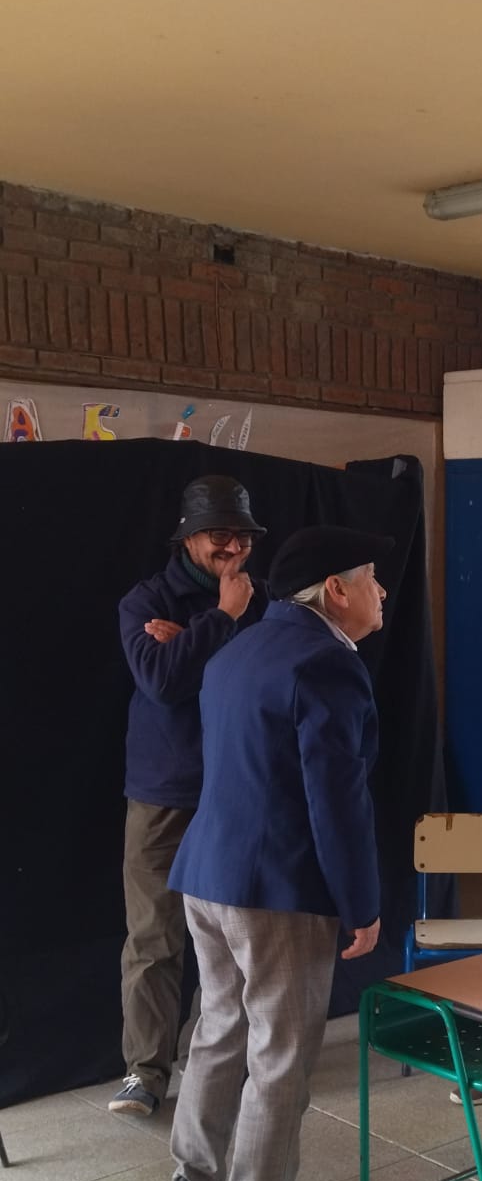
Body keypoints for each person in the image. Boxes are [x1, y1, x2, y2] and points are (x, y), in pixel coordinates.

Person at [165, 525, 389, 1181]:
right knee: (281, 1049)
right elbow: (338, 803)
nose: (382, 592)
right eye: (371, 578)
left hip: (207, 873)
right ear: (336, 590)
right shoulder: (327, 665)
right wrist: (360, 902)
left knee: (220, 1028)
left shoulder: (238, 650)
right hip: (277, 889)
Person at [110, 476, 268, 1117]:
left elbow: (266, 679)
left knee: (233, 939)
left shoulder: (265, 601)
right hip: (161, 791)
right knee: (154, 938)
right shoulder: (143, 601)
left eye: (242, 535)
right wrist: (223, 621)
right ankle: (145, 1073)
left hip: (237, 785)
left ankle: (217, 1062)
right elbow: (162, 683)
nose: (232, 547)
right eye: (218, 535)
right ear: (189, 538)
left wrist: (196, 640)